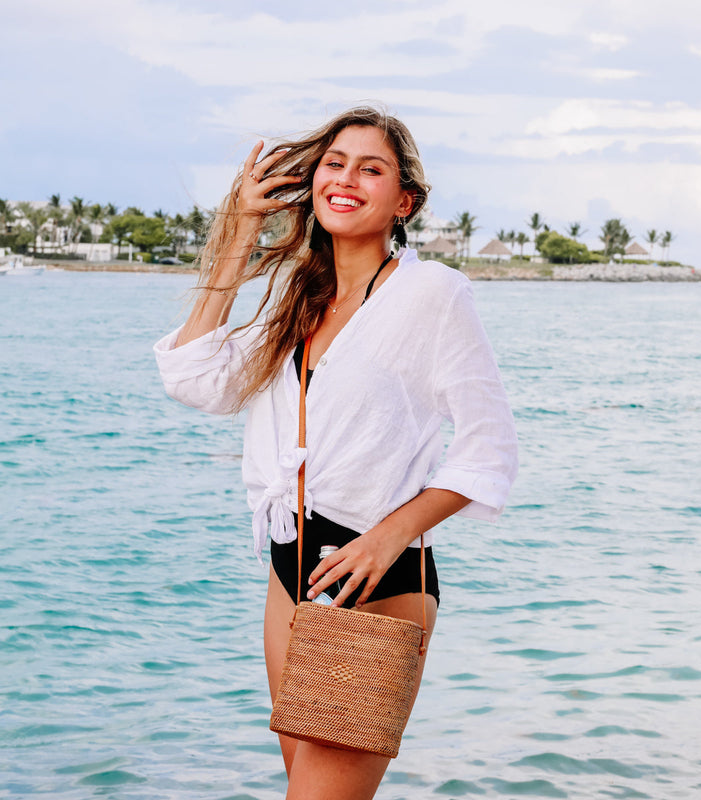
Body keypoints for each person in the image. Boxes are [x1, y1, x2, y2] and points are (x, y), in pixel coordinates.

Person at [154, 106, 517, 800]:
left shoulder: (432, 293)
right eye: (335, 163)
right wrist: (239, 236)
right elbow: (195, 378)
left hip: (372, 582)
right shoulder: (300, 293)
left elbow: (490, 449)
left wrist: (391, 535)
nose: (347, 179)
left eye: (371, 168)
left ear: (402, 200)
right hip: (287, 578)